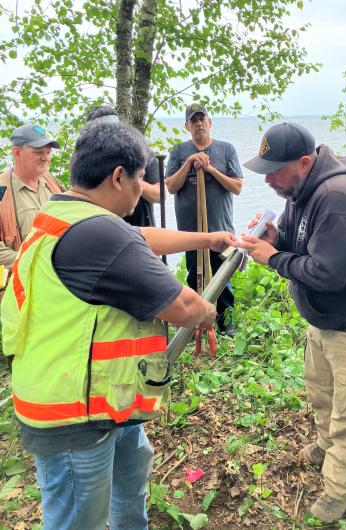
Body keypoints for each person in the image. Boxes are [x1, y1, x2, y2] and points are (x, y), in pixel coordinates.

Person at [1, 121, 235, 530]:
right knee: (77, 520)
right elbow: (185, 306)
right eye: (141, 178)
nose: (140, 187)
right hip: (75, 417)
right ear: (118, 176)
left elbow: (139, 235)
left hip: (105, 398)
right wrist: (208, 313)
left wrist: (207, 239)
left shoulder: (62, 213)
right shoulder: (101, 233)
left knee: (131, 489)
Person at [238, 122, 346, 523]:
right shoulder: (300, 191)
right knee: (322, 393)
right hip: (327, 320)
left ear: (305, 162)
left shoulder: (337, 198)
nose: (268, 178)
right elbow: (302, 244)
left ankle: (339, 493)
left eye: (274, 169)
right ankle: (326, 445)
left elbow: (328, 274)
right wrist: (277, 238)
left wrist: (271, 258)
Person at [165, 103, 243, 336]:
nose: (198, 123)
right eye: (193, 120)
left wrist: (210, 170)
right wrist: (189, 163)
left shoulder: (226, 149)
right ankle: (196, 322)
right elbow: (171, 186)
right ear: (187, 126)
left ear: (209, 123)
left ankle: (225, 322)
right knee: (195, 275)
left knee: (222, 277)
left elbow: (237, 187)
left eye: (202, 119)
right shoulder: (179, 151)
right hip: (191, 231)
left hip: (220, 227)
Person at [0, 124, 63, 273]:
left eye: (48, 152)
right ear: (17, 153)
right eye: (39, 152)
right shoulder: (2, 190)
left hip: (57, 278)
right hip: (21, 285)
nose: (46, 158)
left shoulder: (53, 183)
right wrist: (33, 265)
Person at [87, 104, 161, 227]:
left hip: (143, 231)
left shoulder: (144, 154)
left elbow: (160, 195)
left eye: (112, 130)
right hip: (104, 228)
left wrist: (130, 179)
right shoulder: (88, 161)